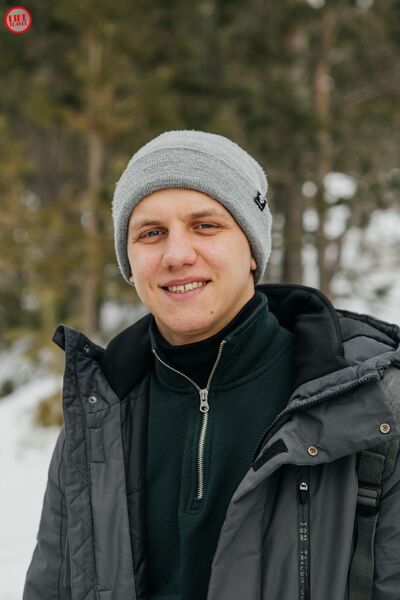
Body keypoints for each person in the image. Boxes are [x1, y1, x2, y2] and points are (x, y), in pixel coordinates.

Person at [23, 131, 400, 600]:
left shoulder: (370, 406)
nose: (177, 255)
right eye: (151, 233)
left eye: (205, 225)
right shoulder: (99, 415)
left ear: (252, 249)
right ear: (130, 264)